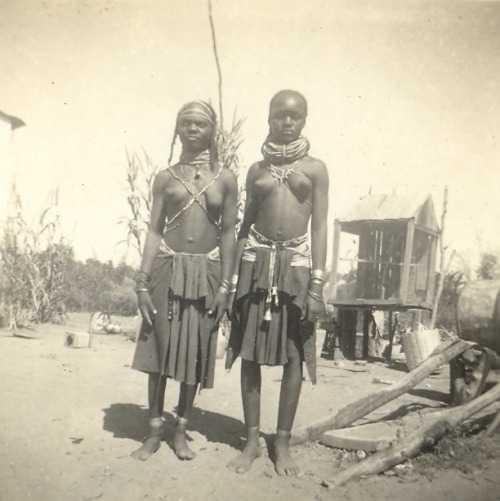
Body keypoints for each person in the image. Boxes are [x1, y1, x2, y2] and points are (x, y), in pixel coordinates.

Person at [225, 90, 329, 476]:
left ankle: (281, 442)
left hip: (297, 267)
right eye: (280, 116)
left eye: (296, 116)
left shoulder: (316, 169)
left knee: (293, 354)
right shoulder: (256, 171)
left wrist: (317, 284)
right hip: (257, 262)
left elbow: (319, 225)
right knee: (249, 353)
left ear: (304, 120)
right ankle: (252, 441)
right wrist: (235, 279)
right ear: (268, 119)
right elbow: (243, 227)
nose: (287, 123)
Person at [131, 101, 238, 461]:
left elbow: (228, 235)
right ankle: (154, 430)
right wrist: (142, 282)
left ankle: (181, 431)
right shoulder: (165, 178)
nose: (193, 129)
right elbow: (153, 230)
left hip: (205, 273)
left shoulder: (225, 178)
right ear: (177, 129)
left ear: (212, 132)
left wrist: (225, 285)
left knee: (195, 351)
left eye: (201, 124)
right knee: (159, 349)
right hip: (166, 268)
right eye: (186, 123)